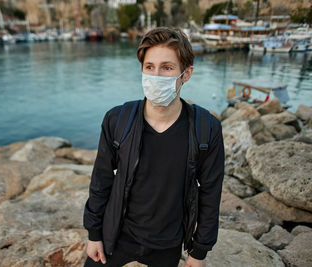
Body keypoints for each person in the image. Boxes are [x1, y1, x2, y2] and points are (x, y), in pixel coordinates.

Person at [83, 27, 225, 267]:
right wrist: (94, 234)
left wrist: (199, 251)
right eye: (149, 67)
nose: (156, 76)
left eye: (167, 68)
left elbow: (211, 193)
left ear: (186, 74)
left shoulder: (206, 129)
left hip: (167, 244)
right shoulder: (118, 120)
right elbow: (101, 180)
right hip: (116, 236)